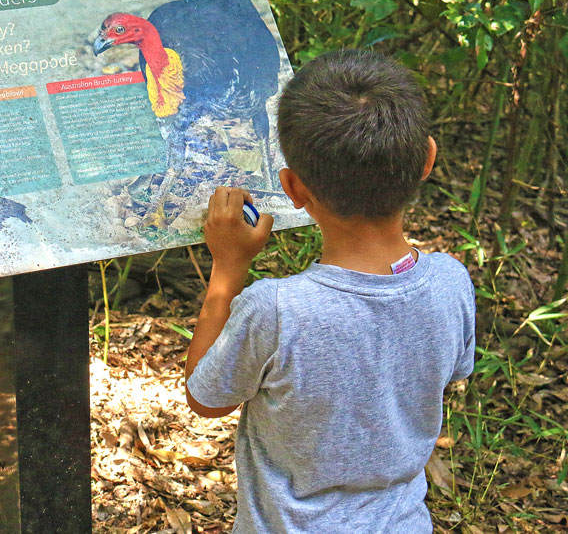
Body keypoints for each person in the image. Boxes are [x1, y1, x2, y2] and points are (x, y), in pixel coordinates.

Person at [184, 49, 476, 533]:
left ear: (294, 189)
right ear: (427, 158)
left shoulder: (276, 309)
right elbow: (450, 371)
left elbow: (206, 399)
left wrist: (229, 266)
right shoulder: (451, 281)